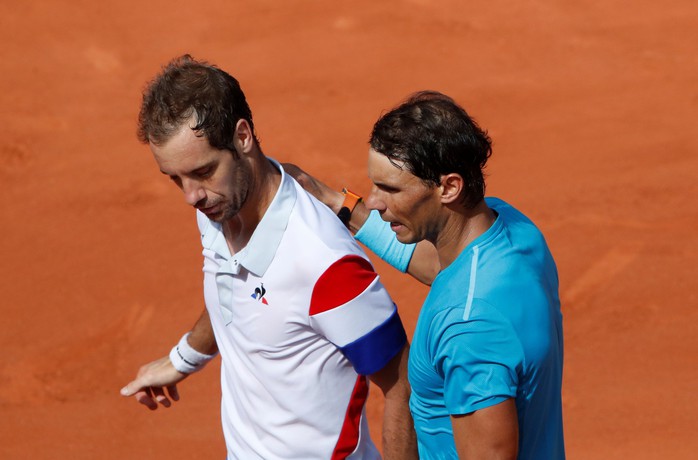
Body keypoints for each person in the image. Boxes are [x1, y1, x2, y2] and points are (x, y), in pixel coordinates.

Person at [120, 55, 417, 460]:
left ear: (242, 137)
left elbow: (400, 383)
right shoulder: (218, 205)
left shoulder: (324, 264)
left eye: (203, 171)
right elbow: (231, 290)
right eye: (176, 179)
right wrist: (185, 357)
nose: (191, 195)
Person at [286, 91, 565, 459]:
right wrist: (337, 203)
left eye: (390, 189)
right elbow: (439, 266)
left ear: (449, 187)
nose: (373, 200)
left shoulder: (470, 328)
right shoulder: (512, 232)